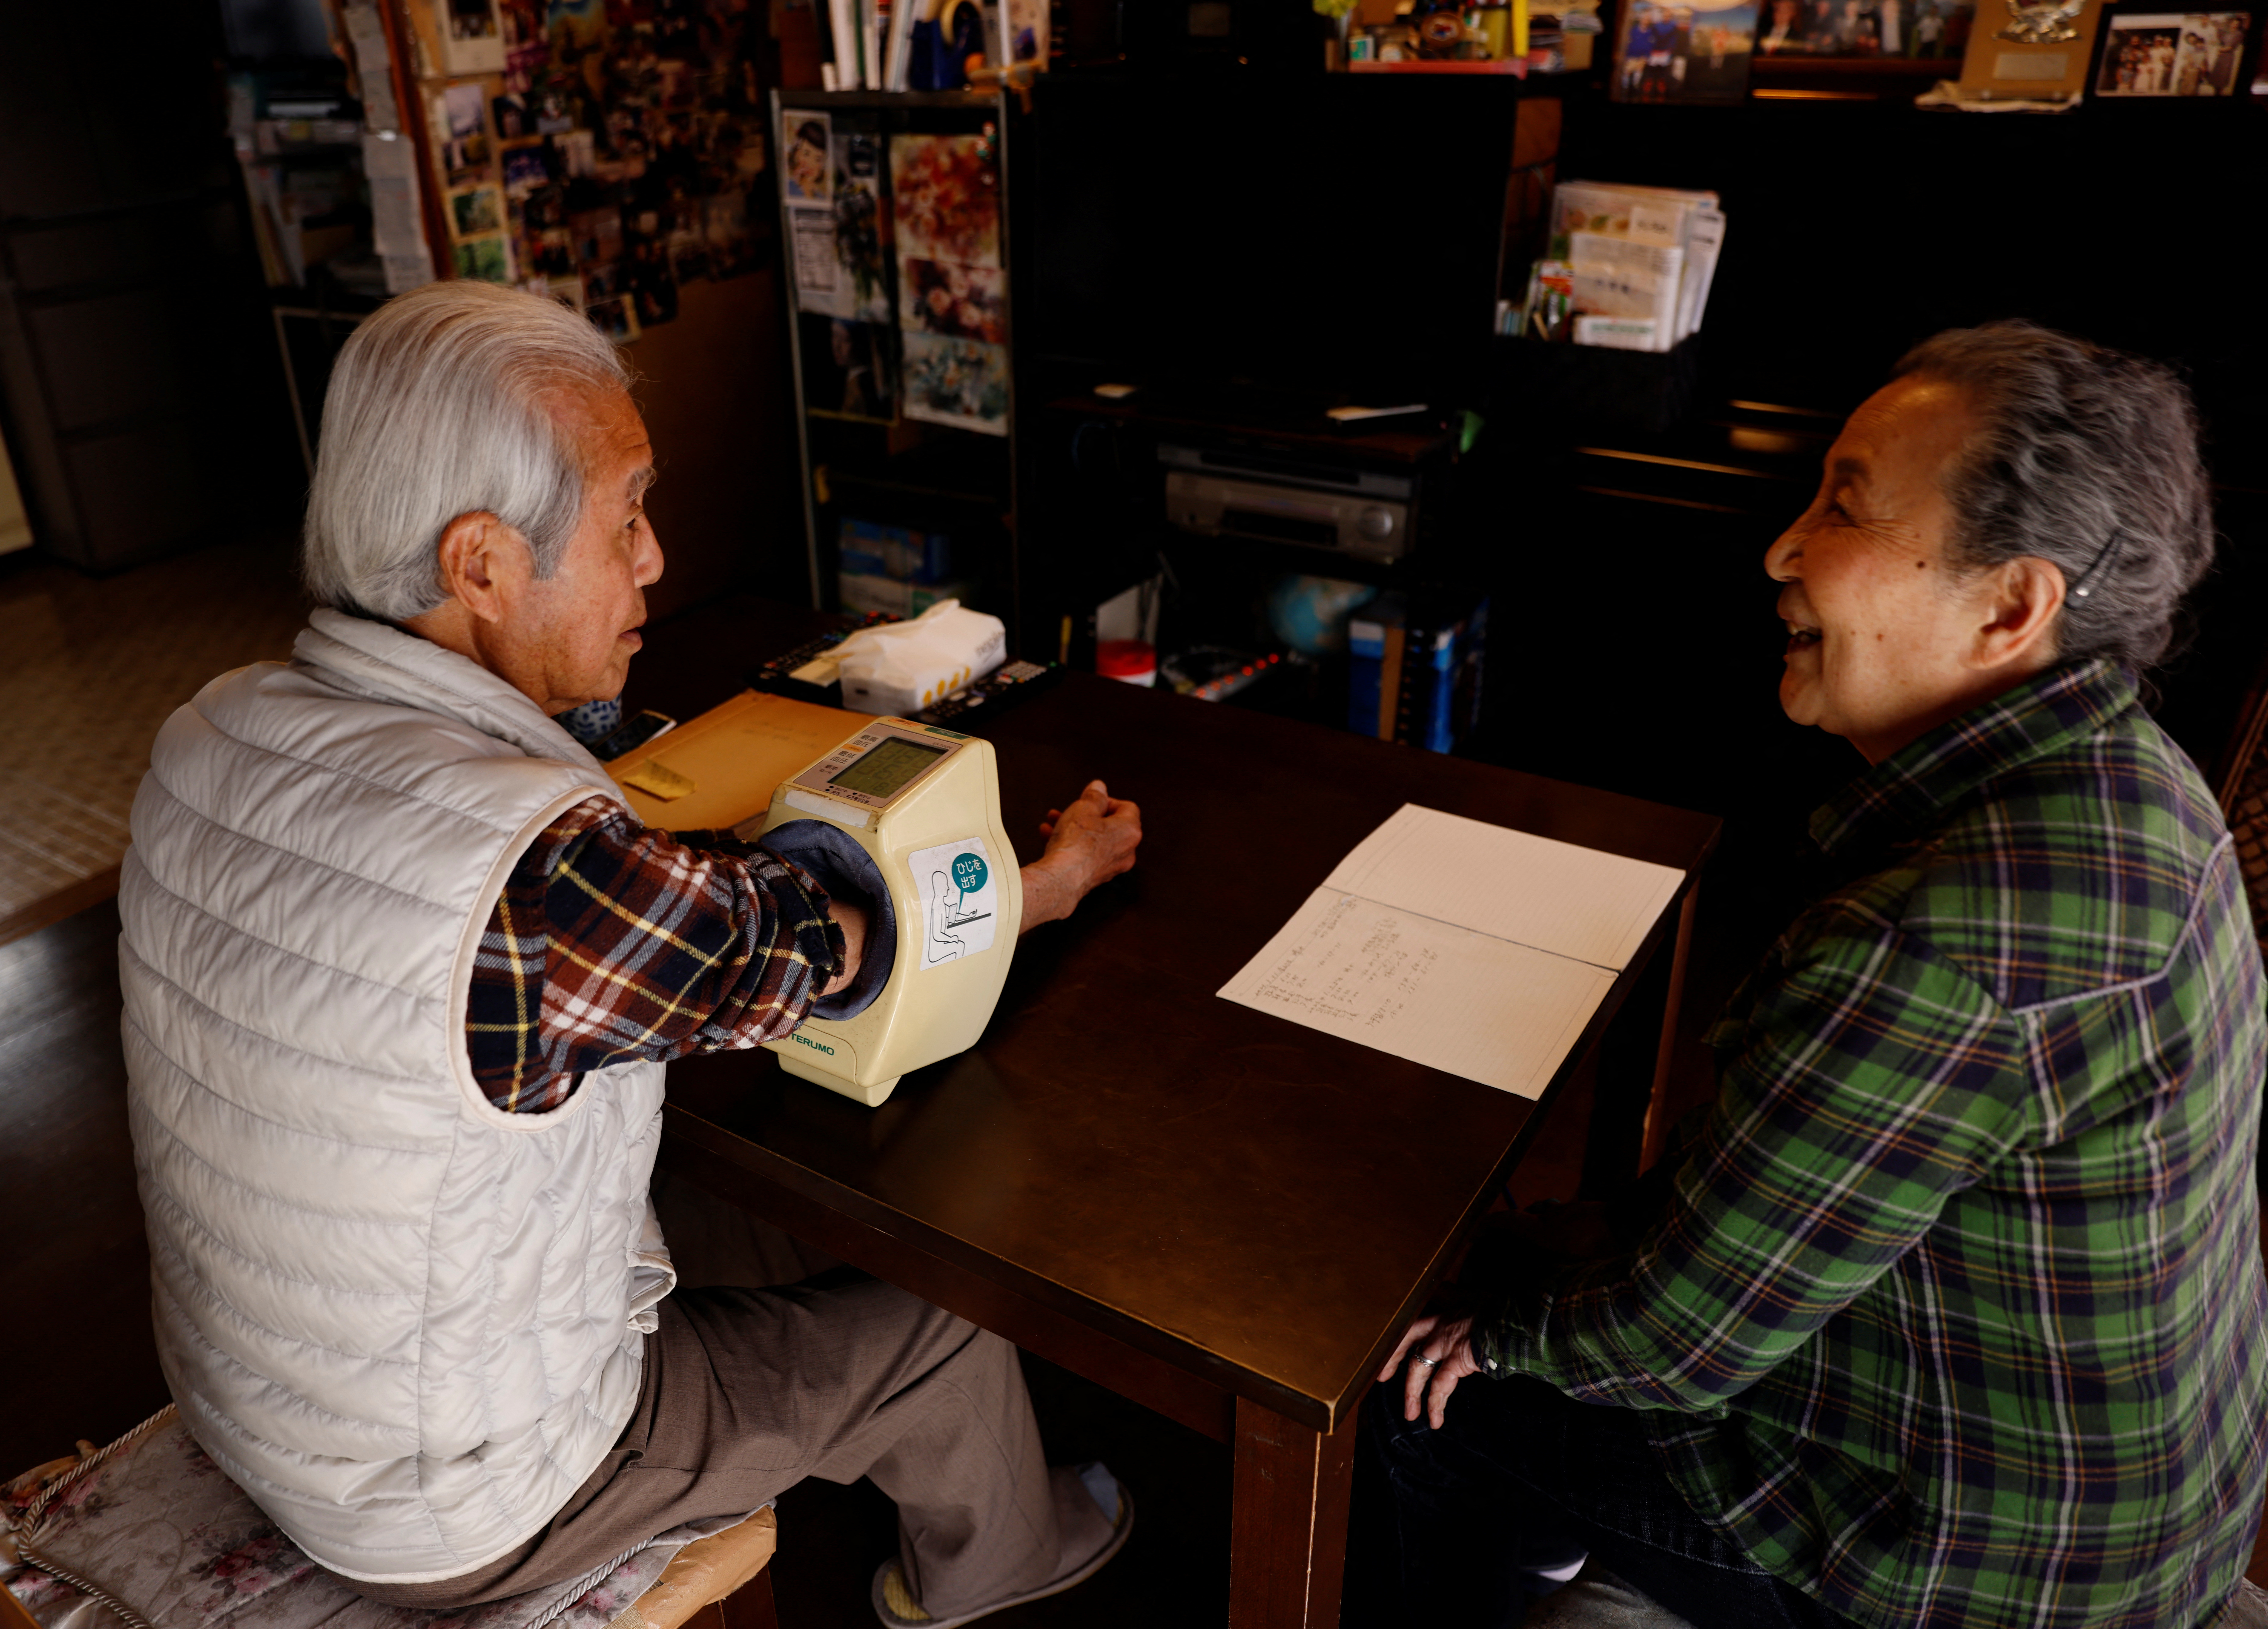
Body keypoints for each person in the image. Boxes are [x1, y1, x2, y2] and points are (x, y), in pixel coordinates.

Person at [118, 281, 1144, 1628]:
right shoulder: (540, 880)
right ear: (480, 564)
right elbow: (840, 942)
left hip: (259, 1389)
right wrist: (1044, 883)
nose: (655, 559)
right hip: (452, 1500)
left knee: (761, 1216)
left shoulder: (208, 731)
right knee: (942, 1310)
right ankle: (1000, 1568)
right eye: (626, 516)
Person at [1348, 320, 2267, 1629]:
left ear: (2011, 605)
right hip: (2146, 1507)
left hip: (1983, 1574)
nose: (1781, 549)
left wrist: (1494, 1333)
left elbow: (1676, 1345)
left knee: (1419, 1401)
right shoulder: (2145, 775)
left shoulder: (1939, 943)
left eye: (1841, 505)